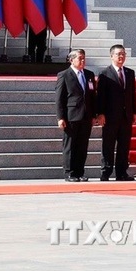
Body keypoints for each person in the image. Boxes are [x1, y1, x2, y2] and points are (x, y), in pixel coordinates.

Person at [96, 44, 136, 181]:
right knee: (108, 144)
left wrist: (134, 112)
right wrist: (100, 113)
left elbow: (132, 94)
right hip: (110, 116)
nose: (121, 57)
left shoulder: (129, 73)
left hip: (126, 116)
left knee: (124, 145)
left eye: (123, 54)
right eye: (119, 54)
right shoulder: (105, 74)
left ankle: (122, 172)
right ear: (111, 56)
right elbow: (100, 96)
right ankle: (106, 171)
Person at [55, 49, 96, 182]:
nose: (83, 61)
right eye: (80, 58)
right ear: (71, 60)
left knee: (82, 145)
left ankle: (80, 171)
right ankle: (69, 172)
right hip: (71, 115)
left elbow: (92, 96)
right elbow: (59, 98)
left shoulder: (89, 75)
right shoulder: (64, 75)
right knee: (70, 145)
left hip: (86, 115)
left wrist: (94, 114)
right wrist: (60, 117)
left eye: (84, 58)